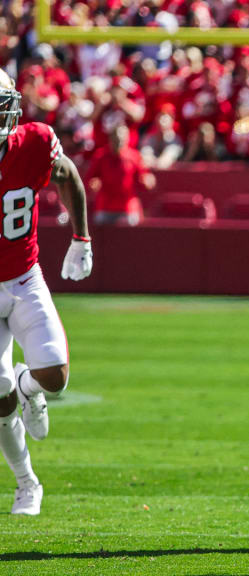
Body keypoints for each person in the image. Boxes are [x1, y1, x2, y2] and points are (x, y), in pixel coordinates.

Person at [0, 69, 93, 515]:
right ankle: (26, 483)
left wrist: (82, 238)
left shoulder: (33, 141)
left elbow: (68, 173)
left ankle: (28, 383)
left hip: (23, 277)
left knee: (54, 377)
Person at [85, 124, 155, 226]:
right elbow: (90, 178)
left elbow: (144, 177)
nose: (119, 142)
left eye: (122, 139)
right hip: (105, 206)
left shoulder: (134, 157)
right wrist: (93, 184)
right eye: (116, 139)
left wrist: (147, 180)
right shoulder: (101, 156)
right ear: (110, 138)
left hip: (128, 207)